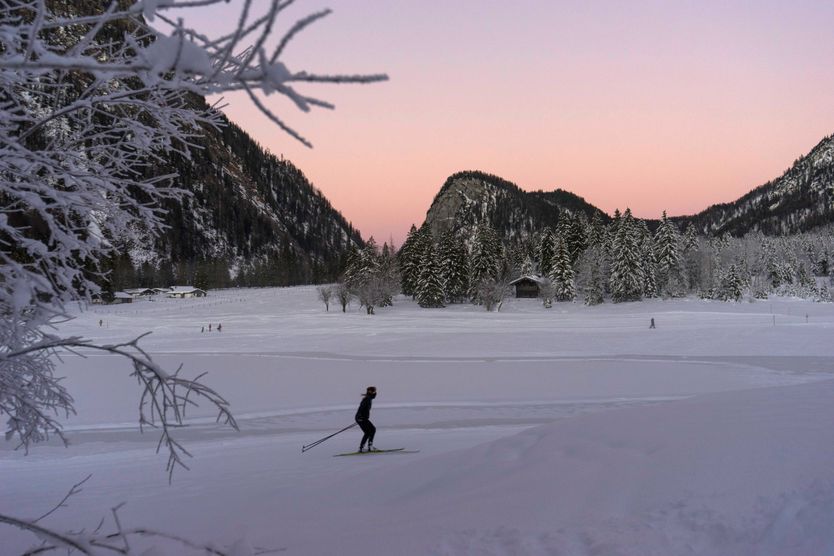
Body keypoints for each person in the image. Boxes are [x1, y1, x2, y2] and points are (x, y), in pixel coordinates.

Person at [355, 386, 377, 452]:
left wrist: (359, 417)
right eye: (374, 391)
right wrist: (360, 417)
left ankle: (361, 448)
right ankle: (369, 447)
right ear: (370, 392)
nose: (375, 393)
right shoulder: (367, 399)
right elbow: (361, 408)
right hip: (361, 418)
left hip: (361, 418)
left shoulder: (368, 398)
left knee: (368, 432)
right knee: (372, 429)